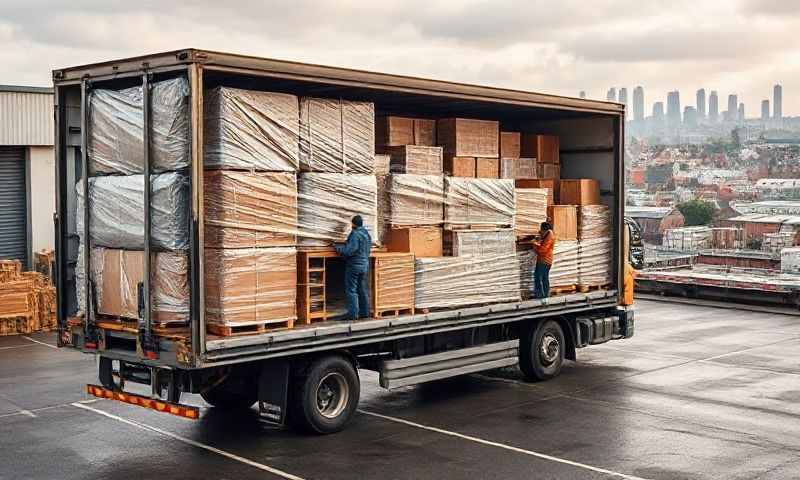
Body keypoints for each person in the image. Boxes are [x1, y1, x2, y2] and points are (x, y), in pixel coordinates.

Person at [335, 215, 372, 320]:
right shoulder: (366, 234)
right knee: (362, 288)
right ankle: (365, 312)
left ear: (353, 224)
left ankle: (353, 314)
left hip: (354, 265)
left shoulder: (355, 234)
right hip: (364, 264)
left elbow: (350, 250)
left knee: (351, 289)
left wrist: (337, 248)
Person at [532, 222, 555, 299]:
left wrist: (535, 244)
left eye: (541, 230)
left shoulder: (549, 237)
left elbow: (543, 251)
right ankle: (543, 294)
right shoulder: (548, 234)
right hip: (543, 260)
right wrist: (539, 239)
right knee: (541, 277)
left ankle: (543, 295)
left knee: (540, 277)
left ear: (545, 230)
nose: (540, 232)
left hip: (545, 261)